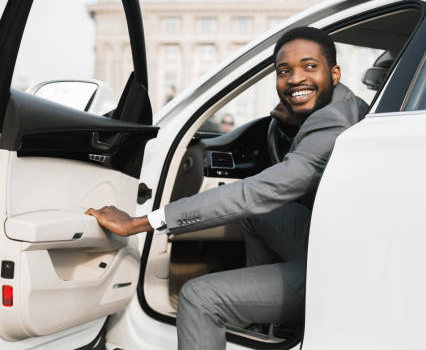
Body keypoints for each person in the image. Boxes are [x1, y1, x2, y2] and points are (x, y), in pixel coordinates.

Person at [85, 26, 369, 350]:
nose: (294, 79)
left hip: (338, 268)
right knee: (258, 215)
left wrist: (140, 222)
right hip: (339, 241)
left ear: (334, 72)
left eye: (309, 66)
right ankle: (264, 319)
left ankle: (237, 309)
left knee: (198, 297)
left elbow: (255, 192)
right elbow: (302, 169)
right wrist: (294, 124)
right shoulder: (346, 103)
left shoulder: (332, 121)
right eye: (284, 71)